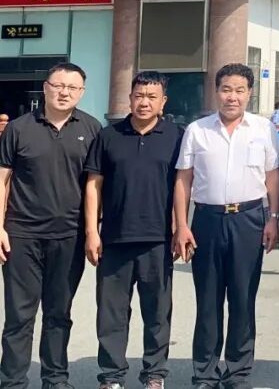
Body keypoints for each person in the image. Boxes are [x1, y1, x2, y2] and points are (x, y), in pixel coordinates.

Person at [0, 62, 102, 389]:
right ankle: (13, 382)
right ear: (46, 88)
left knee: (58, 314)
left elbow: (95, 185)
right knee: (19, 316)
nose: (64, 92)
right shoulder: (18, 128)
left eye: (72, 87)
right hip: (22, 235)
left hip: (69, 235)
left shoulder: (92, 129)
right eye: (58, 85)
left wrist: (92, 231)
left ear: (81, 92)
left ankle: (55, 379)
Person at [173, 63, 279, 389]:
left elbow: (273, 177)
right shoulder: (197, 130)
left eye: (239, 90)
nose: (232, 97)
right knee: (207, 300)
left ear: (249, 93)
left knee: (243, 298)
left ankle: (238, 372)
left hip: (249, 219)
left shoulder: (263, 129)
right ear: (216, 91)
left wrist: (273, 218)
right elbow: (184, 179)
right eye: (226, 89)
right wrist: (182, 224)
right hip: (207, 220)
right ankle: (204, 372)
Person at [84, 70, 183, 389]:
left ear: (163, 101)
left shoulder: (176, 136)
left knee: (158, 313)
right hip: (115, 238)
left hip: (158, 239)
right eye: (139, 95)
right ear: (129, 98)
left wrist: (181, 227)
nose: (144, 102)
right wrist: (91, 231)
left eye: (152, 97)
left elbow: (185, 186)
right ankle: (111, 376)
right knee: (111, 314)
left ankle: (155, 374)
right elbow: (94, 184)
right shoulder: (108, 136)